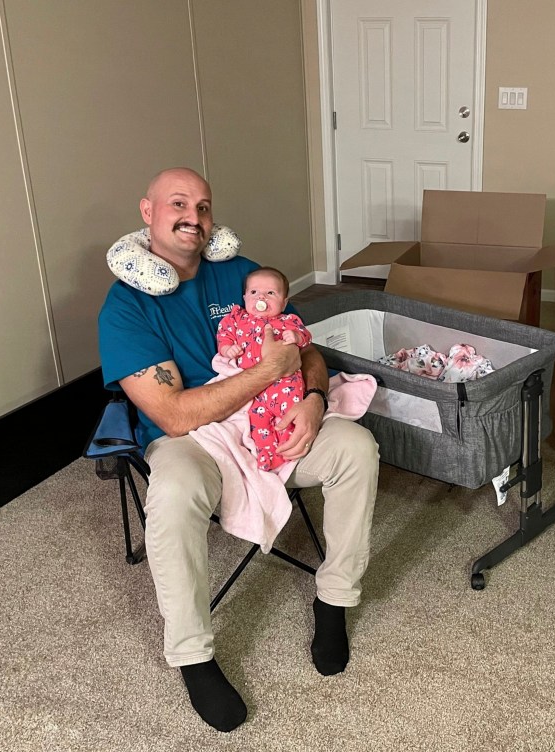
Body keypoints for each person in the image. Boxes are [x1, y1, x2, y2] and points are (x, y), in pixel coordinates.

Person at [98, 167, 379, 732]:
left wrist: (317, 398)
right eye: (178, 204)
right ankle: (193, 654)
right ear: (147, 212)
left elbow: (306, 348)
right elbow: (174, 414)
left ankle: (334, 599)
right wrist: (269, 371)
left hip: (275, 422)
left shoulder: (243, 275)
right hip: (193, 439)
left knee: (356, 447)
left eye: (203, 207)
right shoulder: (125, 309)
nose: (193, 217)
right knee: (174, 491)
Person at [216, 266, 313, 471]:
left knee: (288, 418)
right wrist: (227, 349)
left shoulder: (288, 321)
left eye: (270, 293)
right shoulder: (236, 319)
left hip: (285, 383)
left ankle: (288, 450)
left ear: (284, 302)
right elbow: (224, 335)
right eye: (254, 292)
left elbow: (305, 337)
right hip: (253, 388)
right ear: (244, 297)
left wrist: (295, 337)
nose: (261, 297)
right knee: (258, 424)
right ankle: (267, 455)